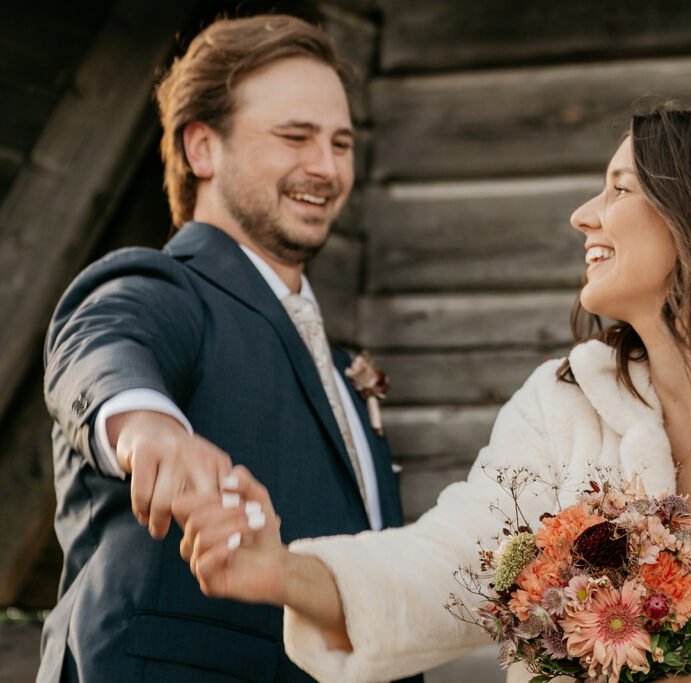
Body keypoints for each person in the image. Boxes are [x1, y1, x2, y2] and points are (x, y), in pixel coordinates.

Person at [176, 107, 691, 682]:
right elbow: (454, 566)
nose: (585, 214)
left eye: (620, 188)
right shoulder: (563, 408)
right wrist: (287, 571)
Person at [39, 15, 422, 683]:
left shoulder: (337, 367)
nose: (326, 168)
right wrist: (148, 427)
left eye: (341, 143)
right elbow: (102, 339)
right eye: (294, 137)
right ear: (202, 150)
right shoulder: (168, 287)